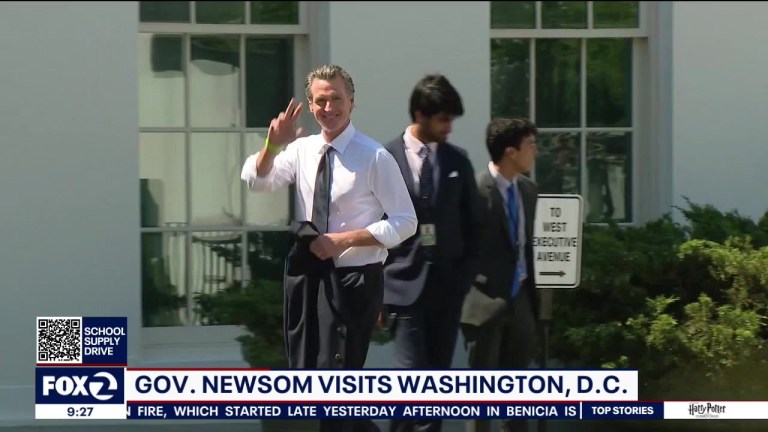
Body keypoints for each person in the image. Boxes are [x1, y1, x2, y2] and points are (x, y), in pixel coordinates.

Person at [240, 64, 417, 432]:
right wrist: (273, 145)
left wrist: (344, 240)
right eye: (321, 101)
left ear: (352, 102)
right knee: (313, 387)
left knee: (337, 383)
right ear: (310, 104)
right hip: (310, 280)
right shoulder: (303, 150)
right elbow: (257, 181)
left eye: (336, 98)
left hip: (355, 281)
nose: (329, 107)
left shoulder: (374, 157)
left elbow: (405, 221)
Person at [381, 74, 483, 432]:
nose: (449, 128)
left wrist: (465, 277)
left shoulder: (458, 161)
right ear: (421, 115)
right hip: (401, 288)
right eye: (444, 120)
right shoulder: (384, 158)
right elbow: (371, 225)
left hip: (447, 288)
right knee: (411, 377)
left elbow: (476, 224)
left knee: (435, 382)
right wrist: (376, 292)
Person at [459, 117, 539, 432]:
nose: (536, 152)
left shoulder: (529, 190)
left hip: (521, 302)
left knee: (517, 400)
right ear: (510, 151)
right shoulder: (475, 191)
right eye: (531, 145)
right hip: (481, 305)